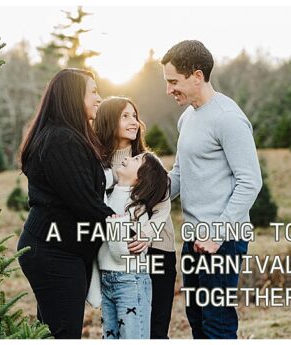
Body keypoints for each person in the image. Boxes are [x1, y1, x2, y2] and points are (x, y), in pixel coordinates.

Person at [161, 40, 262, 339]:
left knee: (217, 324)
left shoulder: (227, 117)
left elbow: (250, 181)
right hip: (194, 238)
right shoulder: (187, 117)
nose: (169, 91)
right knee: (197, 320)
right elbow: (180, 174)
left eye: (173, 82)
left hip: (223, 240)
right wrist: (144, 197)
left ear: (197, 75)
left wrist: (217, 232)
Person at [16, 68, 115, 339]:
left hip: (62, 249)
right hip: (53, 252)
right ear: (73, 98)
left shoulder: (68, 136)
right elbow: (85, 202)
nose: (98, 98)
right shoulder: (62, 140)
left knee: (52, 330)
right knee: (63, 333)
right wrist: (124, 227)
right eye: (93, 92)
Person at [93, 97, 177, 338]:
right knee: (121, 328)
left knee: (155, 327)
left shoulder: (146, 160)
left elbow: (163, 206)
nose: (134, 122)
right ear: (109, 121)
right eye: (125, 116)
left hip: (158, 248)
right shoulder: (101, 163)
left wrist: (147, 236)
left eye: (135, 115)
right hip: (118, 254)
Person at [97, 152, 172, 339]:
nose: (127, 158)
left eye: (136, 160)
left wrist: (115, 227)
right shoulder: (107, 196)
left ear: (141, 178)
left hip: (130, 282)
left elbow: (123, 253)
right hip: (107, 279)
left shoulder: (137, 208)